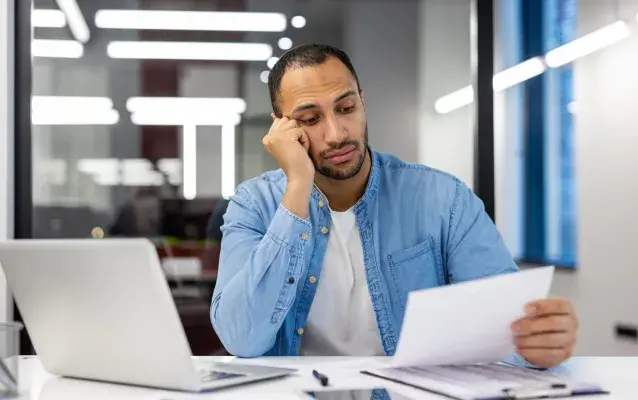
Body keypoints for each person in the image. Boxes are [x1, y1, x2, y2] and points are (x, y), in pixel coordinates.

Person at [210, 44, 578, 368]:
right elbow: (242, 338)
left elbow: (508, 329)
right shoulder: (254, 204)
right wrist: (297, 187)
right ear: (282, 129)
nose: (336, 133)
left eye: (346, 107)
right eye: (310, 119)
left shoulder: (442, 199)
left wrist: (538, 345)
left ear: (363, 101)